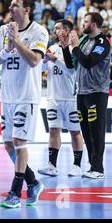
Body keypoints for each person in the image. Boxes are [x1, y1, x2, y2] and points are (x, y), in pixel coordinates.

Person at [0, 0, 48, 208]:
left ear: (27, 9)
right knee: (8, 144)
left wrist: (16, 42)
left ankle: (15, 192)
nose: (11, 7)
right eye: (11, 3)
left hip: (27, 95)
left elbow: (34, 60)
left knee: (19, 142)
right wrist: (6, 49)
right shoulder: (3, 30)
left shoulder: (39, 31)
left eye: (16, 4)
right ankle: (33, 182)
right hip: (7, 96)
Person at [66, 12, 110, 179]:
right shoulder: (84, 41)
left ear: (93, 25)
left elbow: (89, 61)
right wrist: (65, 47)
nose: (82, 24)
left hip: (97, 92)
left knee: (97, 130)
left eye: (85, 22)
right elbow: (73, 63)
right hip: (82, 92)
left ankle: (99, 168)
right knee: (86, 131)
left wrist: (76, 46)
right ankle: (93, 166)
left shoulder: (102, 43)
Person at [38, 20, 84, 177]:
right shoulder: (51, 48)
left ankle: (77, 165)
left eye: (58, 28)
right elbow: (42, 69)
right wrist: (44, 61)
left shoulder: (74, 49)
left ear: (66, 30)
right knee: (53, 130)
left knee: (75, 132)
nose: (55, 30)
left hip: (71, 98)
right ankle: (52, 165)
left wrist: (55, 60)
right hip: (53, 97)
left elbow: (71, 71)